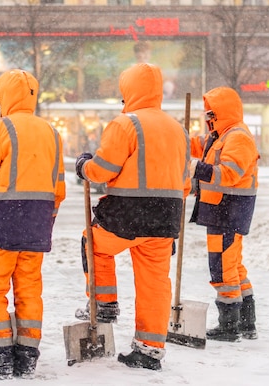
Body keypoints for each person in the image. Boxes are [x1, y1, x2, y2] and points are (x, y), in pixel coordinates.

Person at [74, 63, 191, 371]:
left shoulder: (126, 123)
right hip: (167, 217)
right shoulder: (179, 130)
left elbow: (103, 169)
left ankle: (105, 304)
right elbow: (186, 182)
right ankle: (150, 348)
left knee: (93, 244)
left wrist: (84, 165)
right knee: (154, 282)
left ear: (128, 90)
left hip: (126, 215)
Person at [0, 69, 66, 379]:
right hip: (37, 222)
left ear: (4, 99)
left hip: (2, 221)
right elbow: (58, 187)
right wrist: (45, 217)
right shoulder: (52, 133)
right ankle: (27, 354)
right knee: (29, 288)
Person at [188, 87, 260, 342]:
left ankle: (229, 325)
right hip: (222, 209)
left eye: (211, 113)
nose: (208, 119)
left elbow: (229, 174)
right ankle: (246, 322)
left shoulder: (238, 137)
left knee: (222, 267)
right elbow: (198, 145)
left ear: (221, 112)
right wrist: (179, 139)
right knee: (233, 265)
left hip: (228, 210)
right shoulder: (221, 135)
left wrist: (197, 169)